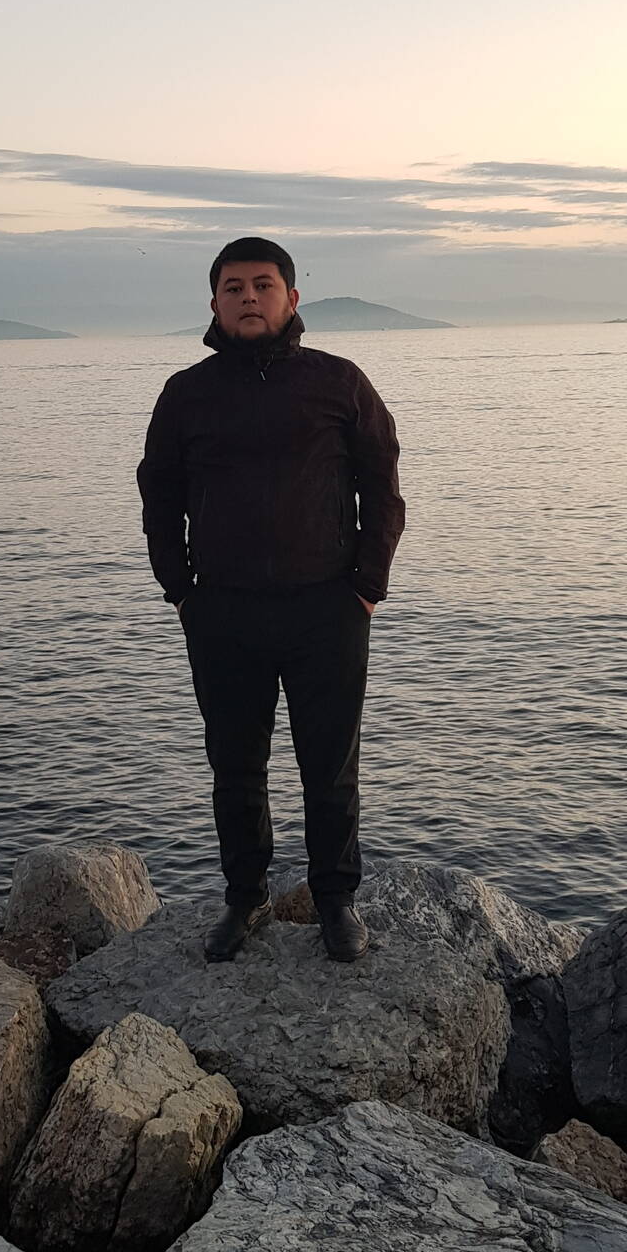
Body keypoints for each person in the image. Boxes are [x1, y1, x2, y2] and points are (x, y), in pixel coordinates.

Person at [137, 236, 405, 963]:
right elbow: (158, 494)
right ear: (214, 303)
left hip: (327, 609)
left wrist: (367, 587)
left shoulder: (339, 382)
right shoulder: (186, 393)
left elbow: (382, 487)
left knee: (330, 766)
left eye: (263, 285)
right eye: (234, 287)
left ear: (291, 298)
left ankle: (336, 902)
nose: (248, 297)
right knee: (235, 766)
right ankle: (245, 896)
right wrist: (181, 591)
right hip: (223, 612)